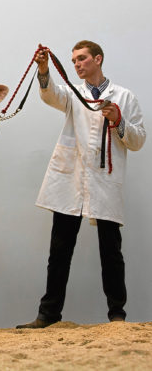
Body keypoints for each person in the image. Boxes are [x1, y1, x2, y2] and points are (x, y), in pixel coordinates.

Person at [16, 40, 146, 329]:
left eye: (82, 59)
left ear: (98, 59)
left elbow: (138, 140)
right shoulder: (72, 94)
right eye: (73, 60)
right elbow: (50, 95)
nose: (76, 64)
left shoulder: (123, 97)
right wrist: (43, 69)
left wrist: (119, 121)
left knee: (111, 251)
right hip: (71, 179)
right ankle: (48, 315)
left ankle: (117, 315)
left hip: (105, 181)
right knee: (59, 249)